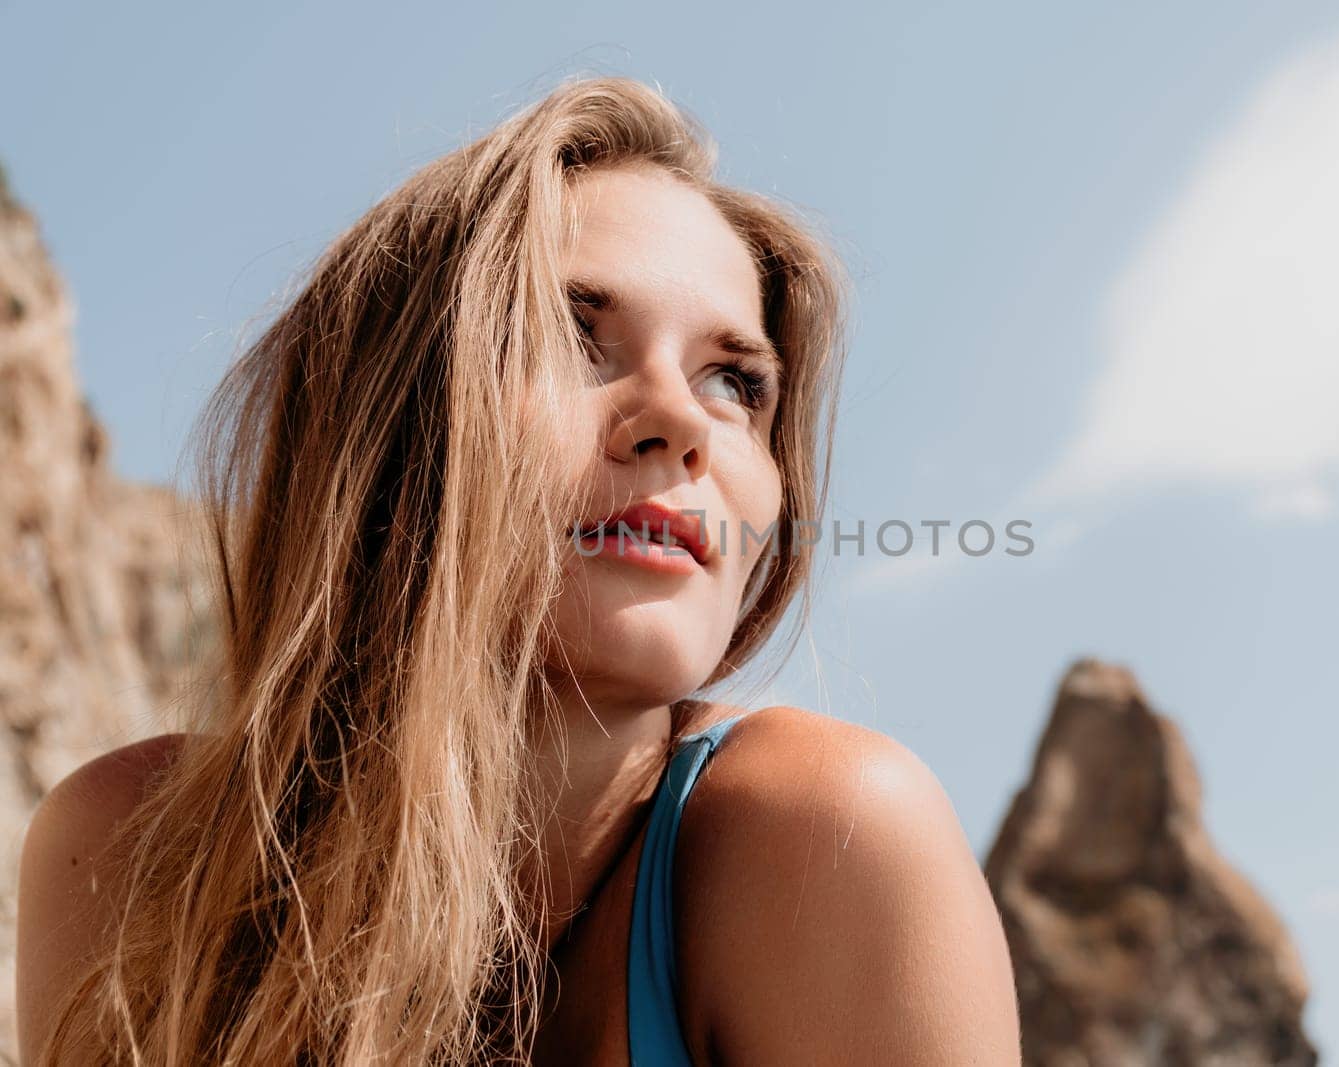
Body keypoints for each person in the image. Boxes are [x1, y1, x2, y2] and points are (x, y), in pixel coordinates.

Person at [14, 75, 1021, 1065]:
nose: (679, 422)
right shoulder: (131, 854)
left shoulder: (830, 832)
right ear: (382, 426)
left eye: (735, 381)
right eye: (568, 335)